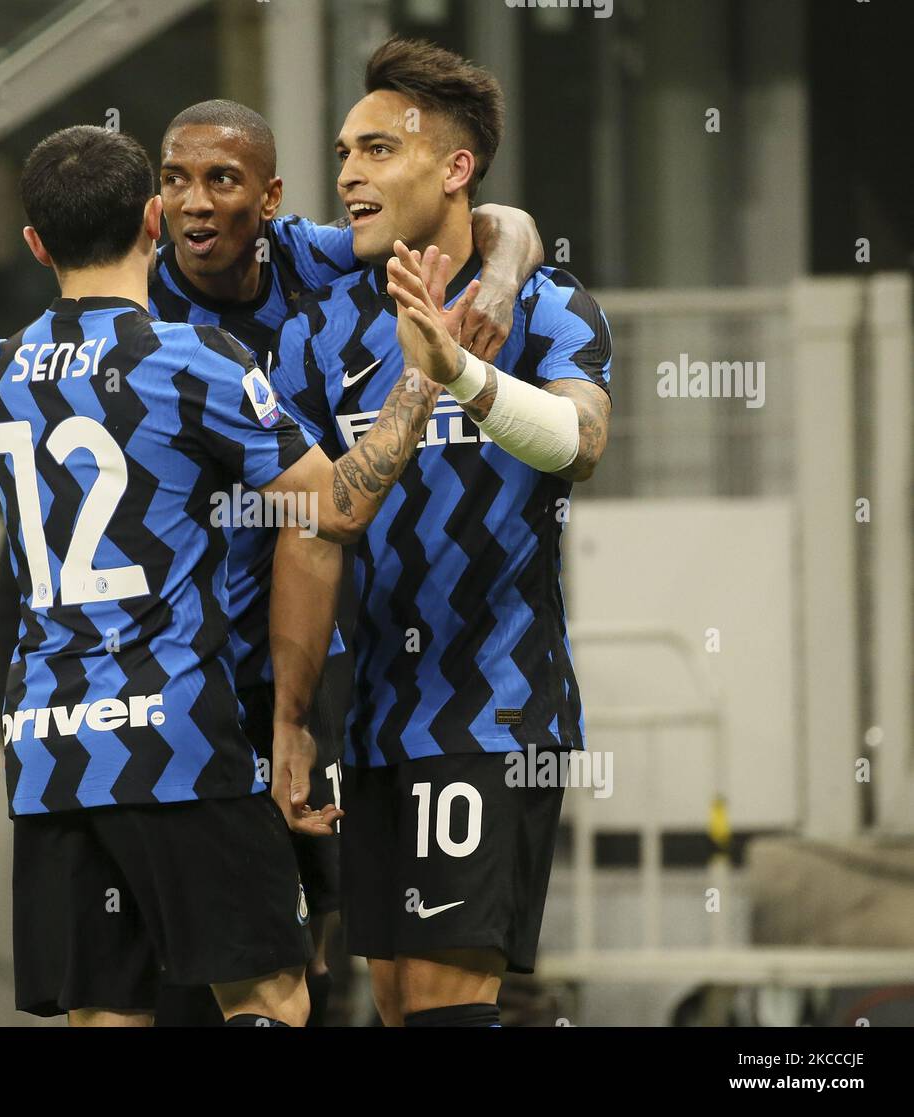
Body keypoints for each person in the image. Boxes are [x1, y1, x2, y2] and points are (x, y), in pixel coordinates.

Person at [0, 98, 543, 1024]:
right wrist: (425, 372)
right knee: (276, 992)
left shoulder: (13, 364)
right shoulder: (193, 358)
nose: (198, 205)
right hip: (183, 734)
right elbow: (337, 505)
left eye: (222, 182)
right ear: (152, 221)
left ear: (38, 245)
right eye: (175, 183)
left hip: (54, 750)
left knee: (107, 1010)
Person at [269, 37, 613, 1028]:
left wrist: (460, 372)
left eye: (377, 150)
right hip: (374, 719)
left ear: (454, 168)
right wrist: (292, 721)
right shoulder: (321, 328)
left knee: (444, 1004)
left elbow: (580, 442)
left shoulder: (547, 307)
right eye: (343, 151)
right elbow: (310, 525)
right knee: (392, 997)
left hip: (494, 708)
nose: (346, 174)